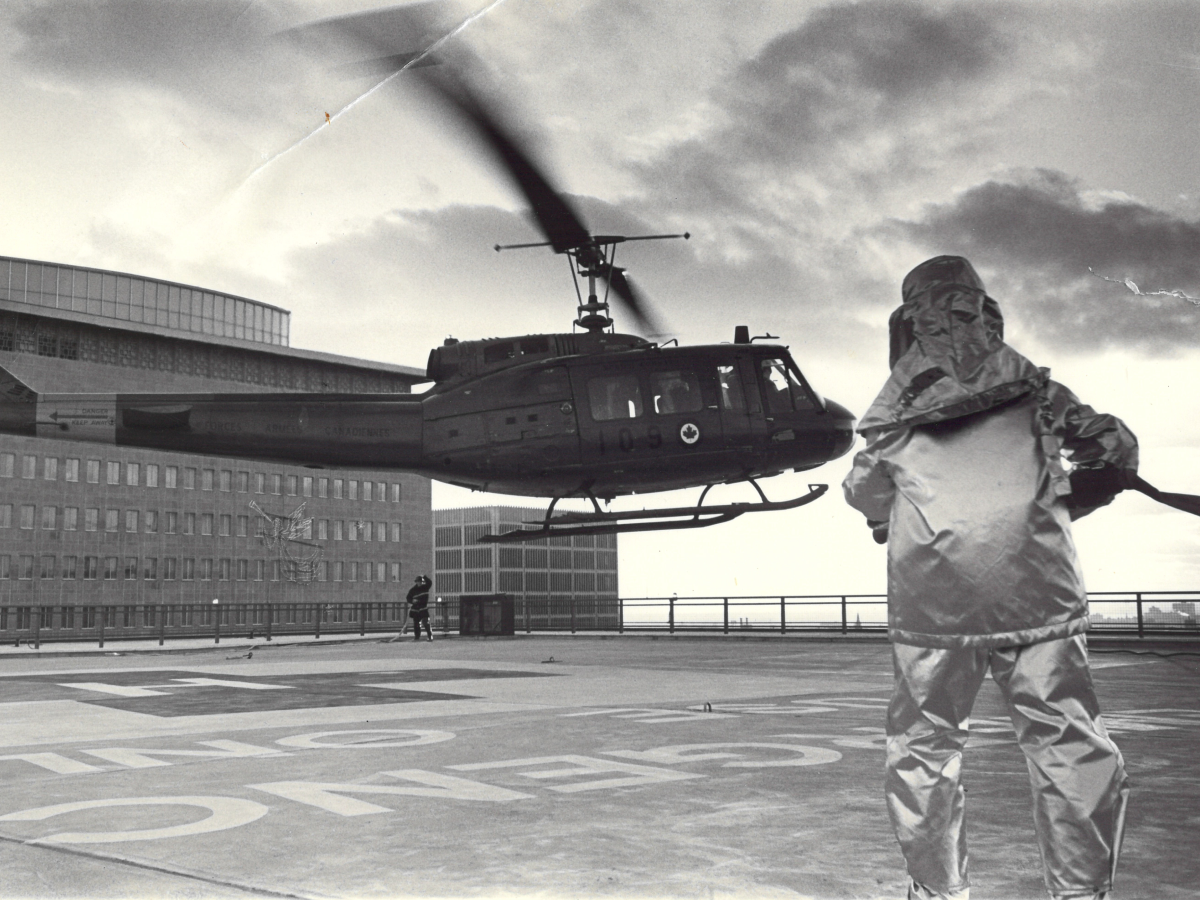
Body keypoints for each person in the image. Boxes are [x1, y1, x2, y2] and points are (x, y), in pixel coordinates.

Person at [842, 256, 1135, 900]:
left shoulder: (895, 412)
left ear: (911, 321)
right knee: (1069, 745)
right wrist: (1071, 495)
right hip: (1041, 595)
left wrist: (891, 510)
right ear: (984, 310)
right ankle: (1082, 892)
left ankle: (938, 890)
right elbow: (1112, 445)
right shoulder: (1036, 392)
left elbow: (863, 495)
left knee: (925, 749)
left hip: (935, 609)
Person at [406, 575, 433, 642]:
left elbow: (429, 582)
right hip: (415, 609)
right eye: (418, 581)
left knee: (426, 623)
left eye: (420, 581)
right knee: (416, 624)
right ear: (416, 582)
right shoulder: (413, 590)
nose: (419, 583)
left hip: (423, 608)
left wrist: (424, 576)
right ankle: (417, 637)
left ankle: (430, 637)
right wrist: (412, 601)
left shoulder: (425, 587)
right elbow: (408, 598)